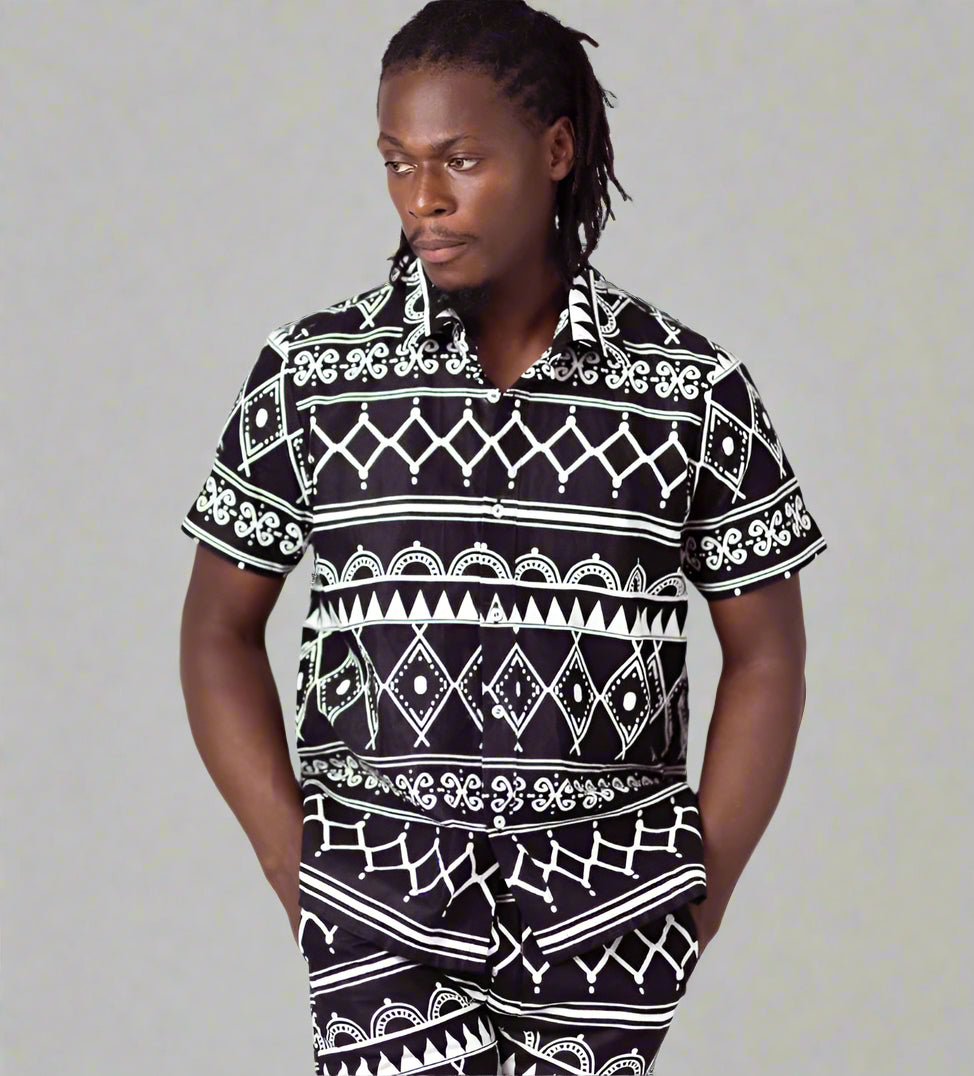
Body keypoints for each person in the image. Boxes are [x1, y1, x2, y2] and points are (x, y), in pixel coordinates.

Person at [178, 2, 828, 1072]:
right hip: (379, 907)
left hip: (610, 915)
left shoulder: (692, 390)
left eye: (461, 160)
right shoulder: (310, 375)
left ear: (556, 150)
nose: (422, 199)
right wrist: (301, 872)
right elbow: (215, 630)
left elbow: (768, 654)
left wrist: (695, 895)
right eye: (396, 163)